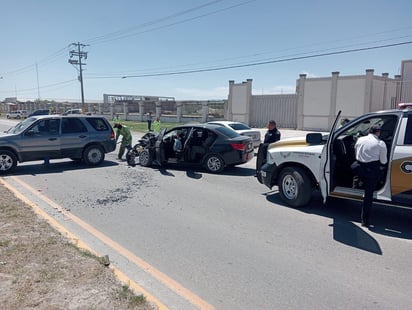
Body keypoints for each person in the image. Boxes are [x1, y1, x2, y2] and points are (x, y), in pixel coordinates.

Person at [353, 124, 387, 227]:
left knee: (354, 167)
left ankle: (357, 182)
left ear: (369, 131)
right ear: (378, 132)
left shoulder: (359, 139)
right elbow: (383, 161)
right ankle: (365, 220)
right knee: (368, 195)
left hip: (358, 167)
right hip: (372, 170)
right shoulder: (381, 143)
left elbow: (356, 153)